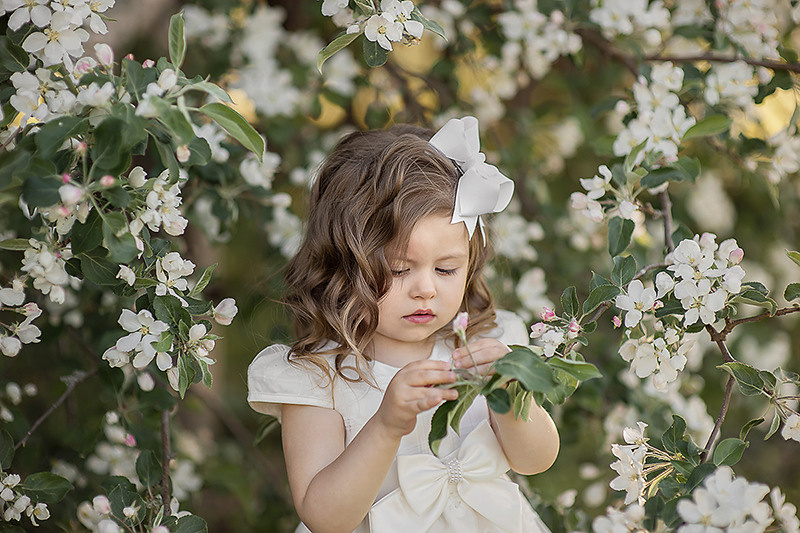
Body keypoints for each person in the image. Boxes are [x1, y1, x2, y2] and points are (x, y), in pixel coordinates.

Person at [248, 117, 560, 532]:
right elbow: (323, 515)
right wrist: (385, 426)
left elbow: (535, 460)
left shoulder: (489, 341)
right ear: (343, 268)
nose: (425, 289)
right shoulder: (319, 377)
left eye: (446, 269)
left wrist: (511, 393)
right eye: (398, 270)